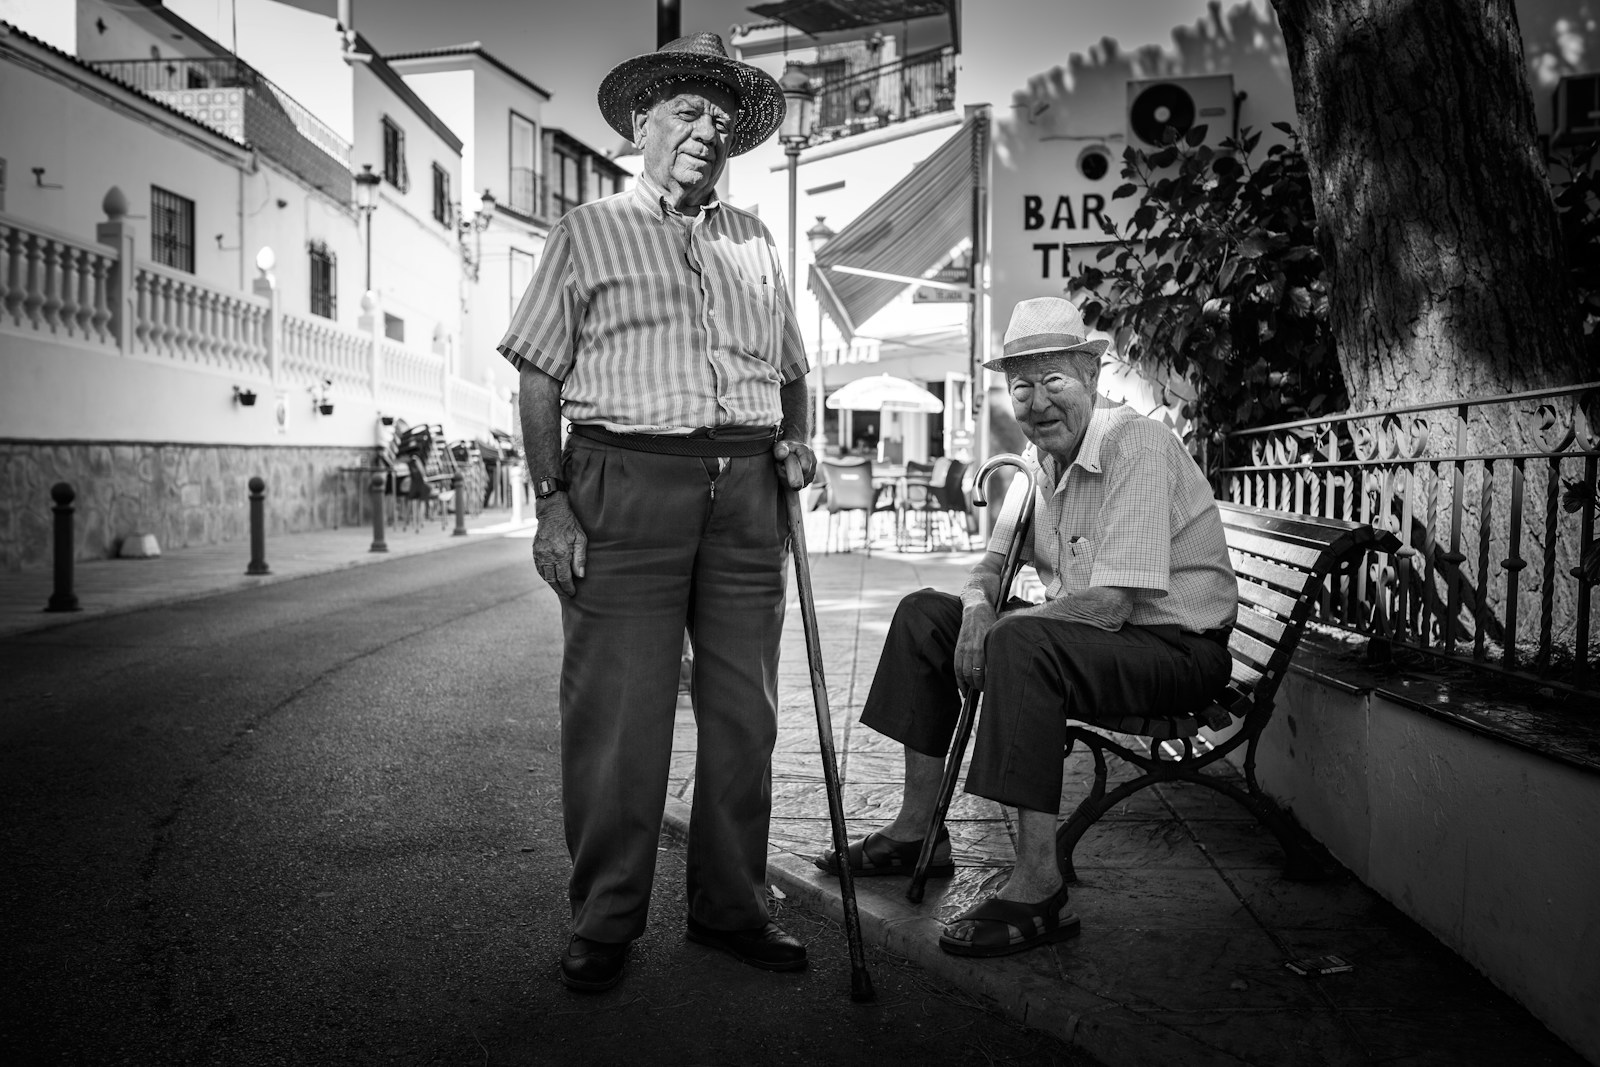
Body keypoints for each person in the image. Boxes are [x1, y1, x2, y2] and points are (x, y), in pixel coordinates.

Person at [498, 32, 816, 993]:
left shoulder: (756, 239)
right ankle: (606, 914)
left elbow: (795, 370)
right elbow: (540, 377)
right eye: (685, 110)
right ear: (642, 125)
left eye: (720, 118)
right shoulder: (587, 230)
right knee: (619, 715)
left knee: (744, 712)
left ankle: (732, 905)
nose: (705, 130)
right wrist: (552, 503)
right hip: (623, 481)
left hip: (748, 491)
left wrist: (798, 440)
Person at [817, 296, 1237, 957]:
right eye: (1021, 387)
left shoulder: (1137, 444)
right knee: (926, 613)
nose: (1037, 402)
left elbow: (1110, 605)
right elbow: (987, 568)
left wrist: (1004, 626)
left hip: (1176, 647)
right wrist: (979, 607)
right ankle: (916, 829)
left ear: (1090, 378)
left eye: (1053, 382)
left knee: (1022, 638)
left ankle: (1039, 886)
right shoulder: (1038, 462)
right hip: (1100, 638)